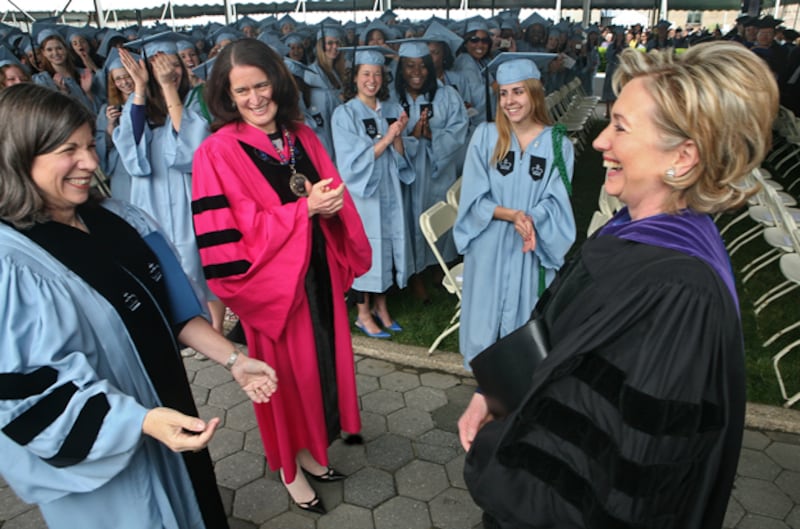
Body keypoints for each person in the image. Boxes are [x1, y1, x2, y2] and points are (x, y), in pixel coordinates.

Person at [459, 41, 778, 529]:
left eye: (621, 126)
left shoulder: (678, 295)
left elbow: (616, 471)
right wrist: (495, 394)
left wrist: (496, 449)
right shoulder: (630, 233)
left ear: (684, 157)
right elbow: (556, 337)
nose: (602, 141)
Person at [0, 83, 277, 529]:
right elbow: (26, 395)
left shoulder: (121, 219)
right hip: (105, 461)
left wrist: (234, 359)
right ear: (19, 157)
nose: (90, 162)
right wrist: (141, 422)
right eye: (68, 150)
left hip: (171, 418)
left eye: (90, 144)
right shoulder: (12, 265)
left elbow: (176, 308)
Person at [191, 38, 371, 515]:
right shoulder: (217, 152)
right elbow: (232, 233)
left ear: (277, 82)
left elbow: (329, 192)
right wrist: (303, 211)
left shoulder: (300, 136)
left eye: (262, 85)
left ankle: (312, 451)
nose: (254, 99)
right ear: (227, 97)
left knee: (320, 372)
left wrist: (330, 206)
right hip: (274, 290)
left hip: (318, 274)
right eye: (242, 91)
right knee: (284, 380)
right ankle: (288, 469)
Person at [454, 54, 575, 371]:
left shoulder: (558, 144)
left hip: (530, 247)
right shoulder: (485, 137)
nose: (510, 101)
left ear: (534, 92)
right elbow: (473, 197)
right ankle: (485, 393)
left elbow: (557, 199)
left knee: (523, 325)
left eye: (518, 91)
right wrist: (511, 215)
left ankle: (517, 393)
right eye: (504, 93)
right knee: (484, 322)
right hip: (489, 246)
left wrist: (531, 219)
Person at [113, 39, 226, 342]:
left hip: (190, 200)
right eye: (161, 66)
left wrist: (168, 88)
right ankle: (179, 328)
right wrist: (139, 87)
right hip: (152, 203)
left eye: (175, 64)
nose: (171, 70)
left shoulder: (194, 103)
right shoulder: (136, 109)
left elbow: (192, 151)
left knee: (201, 266)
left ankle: (213, 330)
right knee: (162, 267)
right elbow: (131, 154)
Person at [332, 46, 413, 338]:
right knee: (366, 251)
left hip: (389, 190)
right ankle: (362, 314)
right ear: (355, 77)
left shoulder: (389, 110)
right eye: (366, 73)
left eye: (377, 74)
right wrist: (389, 136)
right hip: (363, 195)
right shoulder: (345, 115)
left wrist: (399, 136)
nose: (372, 80)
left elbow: (400, 156)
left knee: (388, 247)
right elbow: (352, 163)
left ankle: (382, 307)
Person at [391, 40, 468, 301]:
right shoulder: (391, 99)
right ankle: (415, 275)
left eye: (422, 66)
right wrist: (412, 137)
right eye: (409, 66)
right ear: (400, 69)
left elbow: (459, 130)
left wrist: (432, 134)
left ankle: (437, 266)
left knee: (437, 216)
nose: (417, 72)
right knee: (411, 221)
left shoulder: (447, 95)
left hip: (437, 169)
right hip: (406, 174)